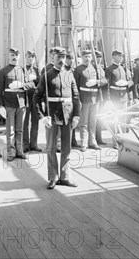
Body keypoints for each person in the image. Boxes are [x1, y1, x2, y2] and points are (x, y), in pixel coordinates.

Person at [33, 47, 80, 189]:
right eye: (58, 57)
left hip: (68, 115)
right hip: (52, 116)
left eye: (63, 57)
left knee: (66, 148)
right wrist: (42, 117)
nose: (61, 60)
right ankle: (53, 177)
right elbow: (36, 97)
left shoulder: (69, 75)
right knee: (51, 147)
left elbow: (76, 97)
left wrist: (77, 115)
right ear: (53, 58)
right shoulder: (46, 75)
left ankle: (65, 177)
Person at [0, 47, 35, 161]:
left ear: (19, 57)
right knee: (10, 130)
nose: (14, 57)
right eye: (12, 55)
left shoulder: (23, 70)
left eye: (16, 55)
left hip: (21, 103)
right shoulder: (3, 71)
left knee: (20, 129)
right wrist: (0, 105)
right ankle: (11, 152)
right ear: (9, 56)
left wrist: (21, 85)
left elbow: (31, 84)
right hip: (9, 103)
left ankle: (19, 150)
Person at [74, 49, 107, 151]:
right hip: (84, 98)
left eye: (89, 57)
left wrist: (97, 81)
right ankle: (84, 143)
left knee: (93, 122)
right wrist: (77, 99)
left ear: (91, 58)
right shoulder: (78, 69)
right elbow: (75, 86)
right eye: (85, 57)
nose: (87, 59)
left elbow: (104, 80)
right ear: (82, 57)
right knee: (84, 123)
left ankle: (92, 142)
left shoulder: (97, 68)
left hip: (95, 98)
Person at [105, 49, 132, 131]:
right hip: (114, 97)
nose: (121, 57)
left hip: (124, 96)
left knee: (123, 118)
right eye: (119, 55)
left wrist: (127, 83)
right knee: (114, 119)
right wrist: (108, 98)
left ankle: (123, 137)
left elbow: (130, 82)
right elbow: (107, 85)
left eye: (122, 56)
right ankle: (115, 139)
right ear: (113, 56)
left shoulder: (125, 69)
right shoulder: (109, 69)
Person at [23, 50, 41, 153]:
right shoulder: (22, 69)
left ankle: (34, 144)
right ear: (25, 57)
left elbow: (41, 84)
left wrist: (36, 79)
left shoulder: (37, 70)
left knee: (35, 122)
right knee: (25, 122)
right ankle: (25, 145)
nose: (31, 59)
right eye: (29, 57)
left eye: (33, 57)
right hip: (25, 98)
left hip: (35, 99)